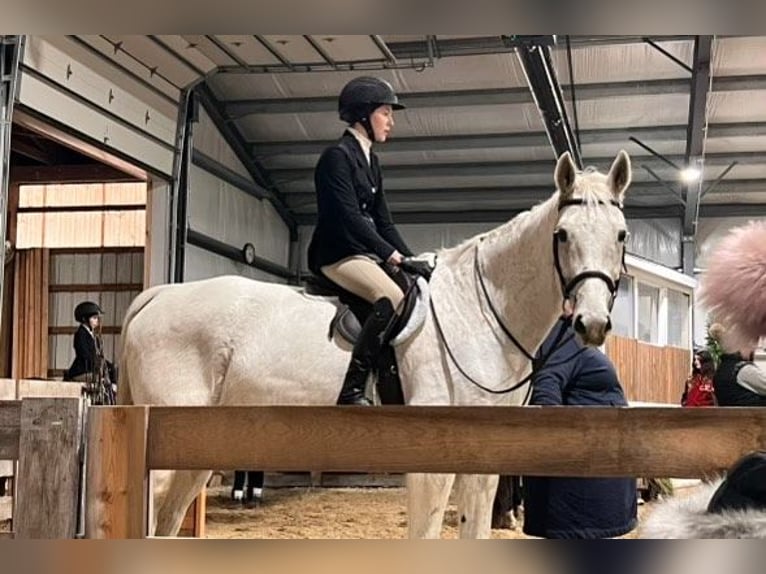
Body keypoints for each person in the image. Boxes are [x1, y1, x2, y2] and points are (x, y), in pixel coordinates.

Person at [307, 76, 414, 406]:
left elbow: (384, 221)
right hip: (336, 254)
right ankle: (352, 389)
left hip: (363, 252)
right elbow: (349, 219)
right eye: (385, 113)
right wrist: (391, 255)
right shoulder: (336, 157)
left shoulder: (372, 161)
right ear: (363, 115)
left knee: (413, 286)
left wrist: (412, 259)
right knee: (391, 296)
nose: (391, 121)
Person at [522, 317, 638, 539]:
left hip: (593, 487)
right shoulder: (558, 337)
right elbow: (546, 395)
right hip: (581, 494)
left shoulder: (566, 336)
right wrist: (568, 449)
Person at [64, 301, 116, 385]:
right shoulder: (81, 334)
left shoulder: (93, 335)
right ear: (85, 319)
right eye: (94, 318)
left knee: (112, 369)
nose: (97, 321)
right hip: (83, 369)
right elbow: (85, 355)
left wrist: (108, 365)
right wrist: (99, 364)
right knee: (103, 378)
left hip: (92, 367)